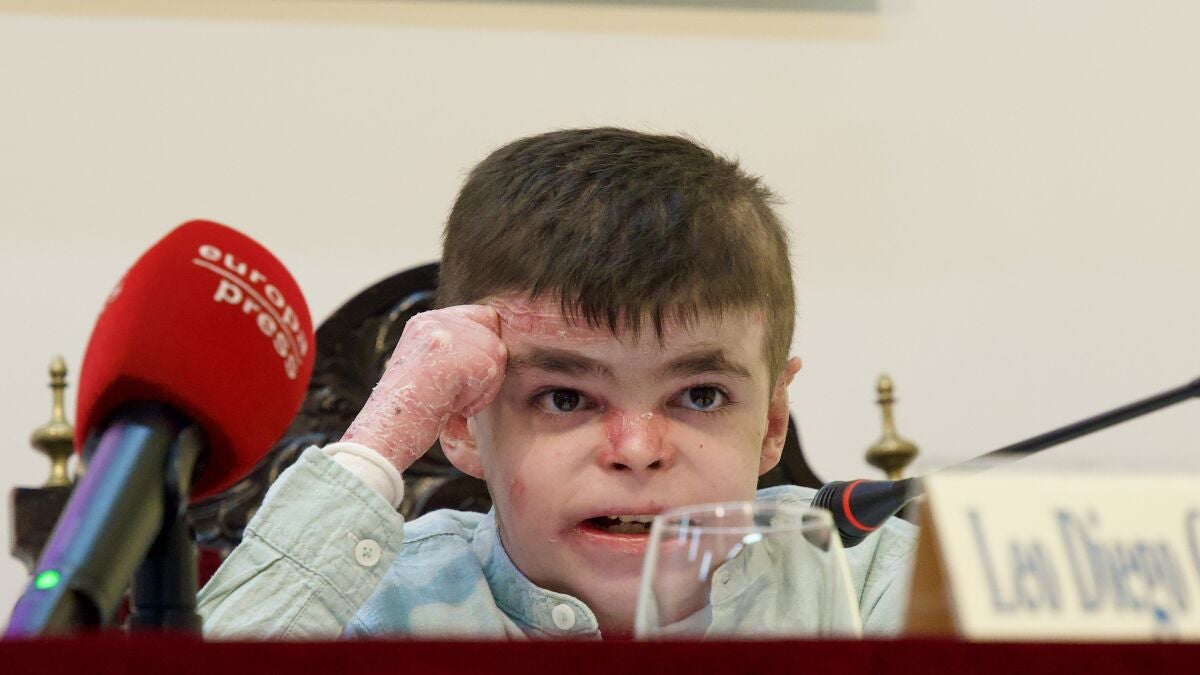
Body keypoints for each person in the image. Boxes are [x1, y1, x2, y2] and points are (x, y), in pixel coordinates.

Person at [198, 128, 917, 639]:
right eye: (565, 398)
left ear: (771, 422)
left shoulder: (874, 582)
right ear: (460, 422)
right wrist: (376, 444)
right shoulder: (381, 604)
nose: (637, 449)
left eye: (700, 395)